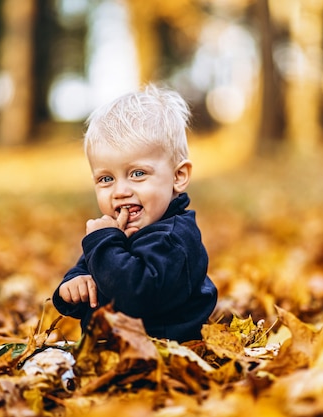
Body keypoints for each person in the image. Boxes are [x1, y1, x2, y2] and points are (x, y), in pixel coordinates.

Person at [52, 84, 217, 342]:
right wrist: (74, 285)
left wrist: (103, 243)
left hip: (161, 361)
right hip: (116, 355)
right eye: (106, 179)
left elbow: (135, 293)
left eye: (137, 174)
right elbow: (92, 267)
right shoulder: (117, 233)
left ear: (178, 176)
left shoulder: (174, 239)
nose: (120, 191)